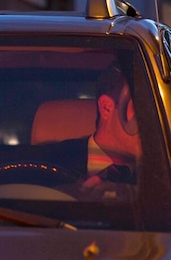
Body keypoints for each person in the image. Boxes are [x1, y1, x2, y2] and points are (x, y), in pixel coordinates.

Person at [45, 60, 141, 200]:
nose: (152, 118)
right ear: (106, 107)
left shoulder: (163, 172)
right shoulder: (46, 162)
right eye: (141, 107)